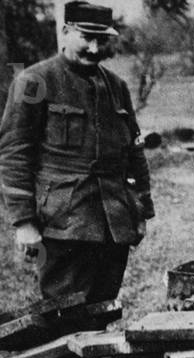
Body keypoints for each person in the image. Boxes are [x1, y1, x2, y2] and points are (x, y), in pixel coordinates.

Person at [0, 1, 154, 303]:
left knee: (103, 310)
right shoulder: (34, 82)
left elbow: (134, 153)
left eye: (102, 40)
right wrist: (24, 222)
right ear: (66, 31)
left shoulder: (116, 86)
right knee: (63, 315)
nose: (95, 48)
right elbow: (14, 152)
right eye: (86, 37)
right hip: (62, 224)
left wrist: (141, 211)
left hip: (113, 223)